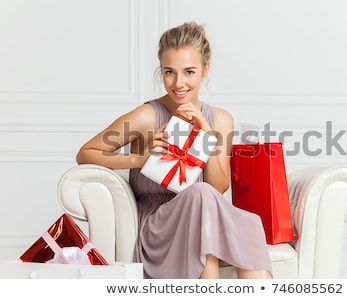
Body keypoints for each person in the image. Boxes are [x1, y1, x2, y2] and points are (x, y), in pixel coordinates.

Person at [76, 21, 272, 279]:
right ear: (161, 71)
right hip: (159, 224)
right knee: (210, 202)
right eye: (170, 72)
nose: (179, 83)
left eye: (189, 72)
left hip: (204, 219)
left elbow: (218, 188)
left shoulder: (221, 120)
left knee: (232, 213)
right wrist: (139, 158)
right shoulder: (147, 116)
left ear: (205, 69)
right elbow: (86, 153)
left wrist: (206, 135)